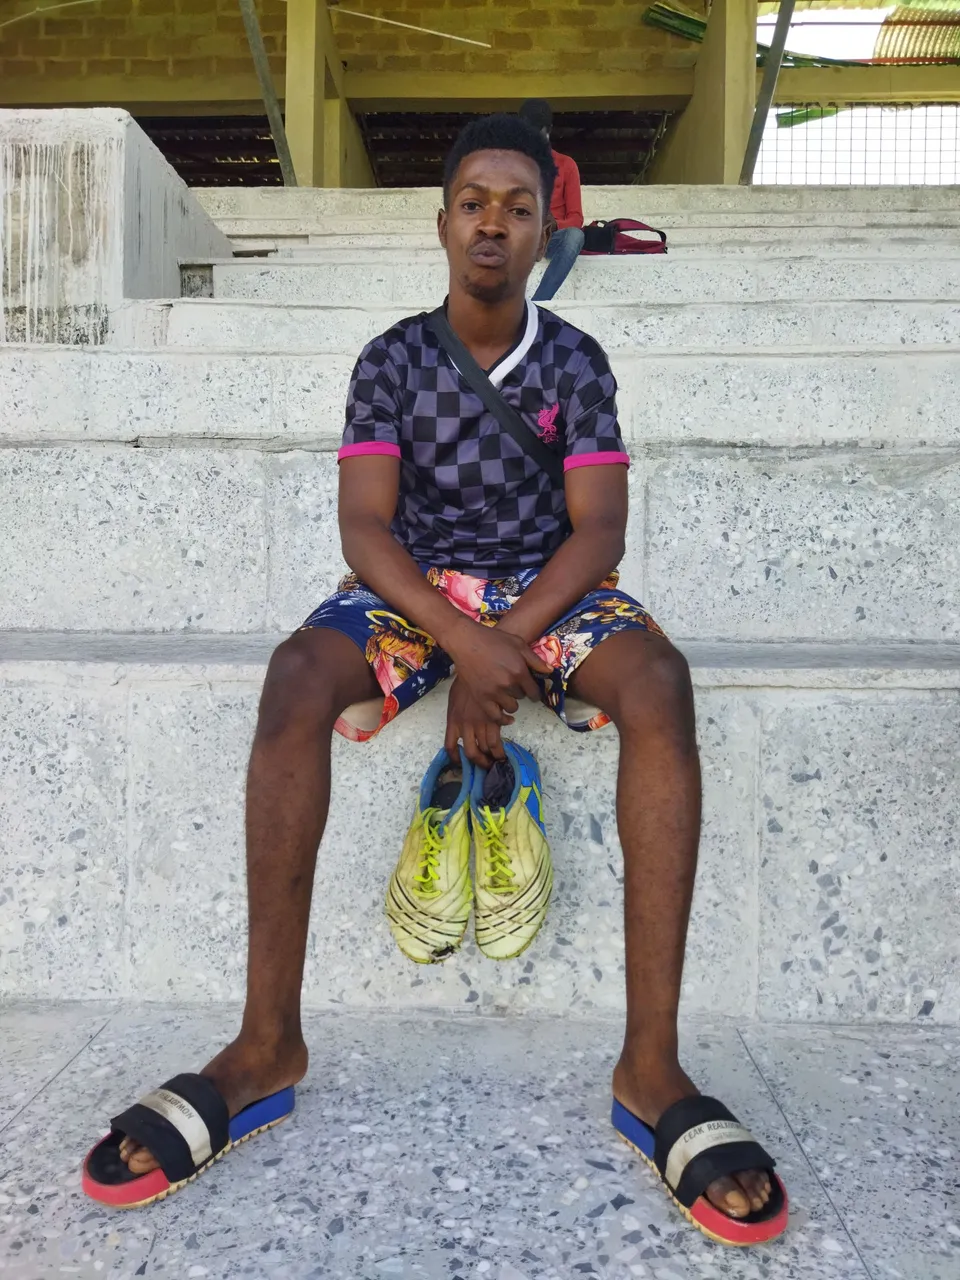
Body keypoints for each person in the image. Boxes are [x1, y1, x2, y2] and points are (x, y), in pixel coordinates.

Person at [80, 114, 788, 1247]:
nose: (493, 223)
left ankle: (652, 1066)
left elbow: (600, 529)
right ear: (443, 222)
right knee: (295, 676)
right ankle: (266, 1042)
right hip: (417, 595)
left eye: (518, 205)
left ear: (548, 229)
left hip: (549, 589)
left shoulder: (575, 362)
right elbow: (365, 529)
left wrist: (505, 643)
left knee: (660, 683)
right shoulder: (392, 360)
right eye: (473, 203)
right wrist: (460, 641)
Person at [519, 97, 584, 303]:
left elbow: (576, 218)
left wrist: (554, 225)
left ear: (549, 130)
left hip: (552, 238)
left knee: (575, 236)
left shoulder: (567, 165)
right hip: (521, 238)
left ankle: (539, 303)